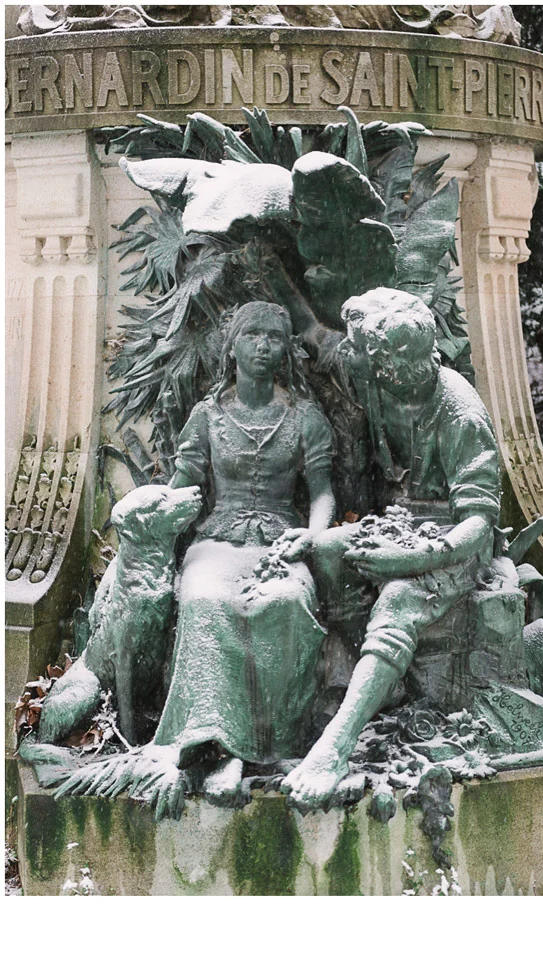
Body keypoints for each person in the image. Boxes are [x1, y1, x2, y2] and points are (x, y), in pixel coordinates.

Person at [282, 288, 501, 811]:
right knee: (327, 551)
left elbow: (478, 522)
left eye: (365, 353)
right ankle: (377, 681)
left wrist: (414, 559)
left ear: (399, 364)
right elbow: (318, 336)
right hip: (396, 524)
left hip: (453, 540)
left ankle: (336, 746)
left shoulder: (459, 412)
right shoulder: (375, 377)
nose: (355, 359)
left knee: (399, 600)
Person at [151, 301, 335, 794]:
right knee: (204, 600)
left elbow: (322, 492)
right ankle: (212, 742)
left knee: (288, 602)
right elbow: (183, 483)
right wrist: (153, 517)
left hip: (281, 540)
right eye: (251, 335)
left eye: (273, 336)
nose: (262, 345)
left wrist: (313, 536)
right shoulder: (207, 416)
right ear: (231, 347)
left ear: (285, 350)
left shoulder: (304, 417)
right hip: (217, 540)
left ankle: (276, 745)